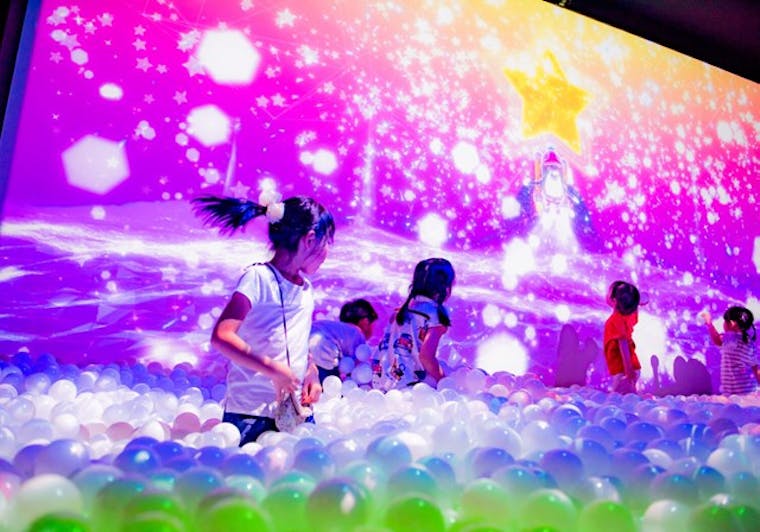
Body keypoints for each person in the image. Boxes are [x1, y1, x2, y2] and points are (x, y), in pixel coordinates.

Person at [193, 191, 335, 445]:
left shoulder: (306, 288)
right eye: (327, 243)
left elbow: (296, 340)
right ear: (310, 239)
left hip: (295, 412)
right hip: (251, 412)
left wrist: (311, 371)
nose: (327, 252)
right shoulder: (258, 278)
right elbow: (222, 336)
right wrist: (272, 369)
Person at [372, 258, 455, 390]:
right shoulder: (434, 314)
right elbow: (426, 357)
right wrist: (444, 382)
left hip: (381, 384)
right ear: (445, 287)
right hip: (410, 388)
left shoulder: (400, 312)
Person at [310, 298, 379, 383]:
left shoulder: (335, 327)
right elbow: (355, 368)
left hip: (304, 350)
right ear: (365, 322)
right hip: (323, 355)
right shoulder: (357, 333)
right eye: (373, 326)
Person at [700, 305, 759, 395]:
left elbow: (716, 340)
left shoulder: (730, 338)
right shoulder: (750, 343)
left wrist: (709, 323)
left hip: (734, 391)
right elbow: (755, 369)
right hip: (750, 390)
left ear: (731, 323)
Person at [603, 280, 642, 394]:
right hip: (630, 367)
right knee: (628, 395)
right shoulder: (630, 314)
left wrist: (628, 371)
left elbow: (623, 344)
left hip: (623, 370)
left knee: (616, 397)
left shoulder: (615, 320)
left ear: (614, 300)